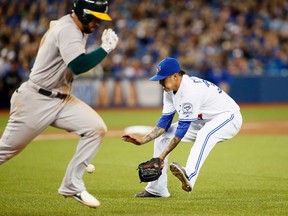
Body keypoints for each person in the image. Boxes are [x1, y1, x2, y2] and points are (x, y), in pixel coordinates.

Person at [0, 0, 118, 208]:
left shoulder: (72, 26)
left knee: (96, 128)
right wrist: (105, 49)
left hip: (61, 99)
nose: (98, 23)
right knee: (5, 151)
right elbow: (78, 65)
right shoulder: (69, 30)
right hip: (36, 100)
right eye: (95, 18)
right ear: (82, 13)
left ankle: (72, 186)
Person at [122, 58, 242, 197]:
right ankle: (156, 189)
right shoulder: (169, 91)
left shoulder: (190, 91)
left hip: (228, 117)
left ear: (175, 76)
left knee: (205, 134)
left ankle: (189, 175)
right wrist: (143, 140)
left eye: (163, 79)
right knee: (164, 135)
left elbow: (181, 131)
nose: (160, 83)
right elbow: (165, 122)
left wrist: (161, 157)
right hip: (202, 120)